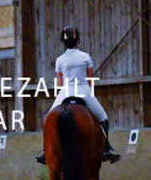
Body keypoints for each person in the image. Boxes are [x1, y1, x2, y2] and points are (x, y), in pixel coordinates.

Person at [36, 26, 121, 165]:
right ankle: (106, 148)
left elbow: (61, 83)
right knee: (103, 117)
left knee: (48, 119)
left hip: (65, 92)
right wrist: (89, 93)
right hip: (84, 91)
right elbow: (90, 79)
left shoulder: (59, 60)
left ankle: (46, 152)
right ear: (78, 41)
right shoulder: (86, 57)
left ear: (63, 42)